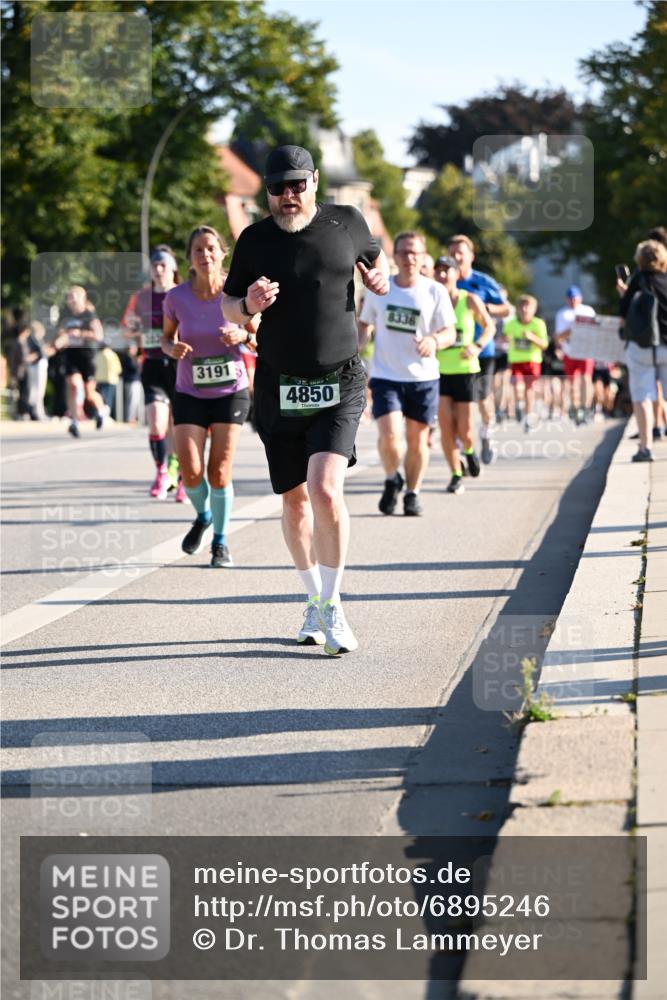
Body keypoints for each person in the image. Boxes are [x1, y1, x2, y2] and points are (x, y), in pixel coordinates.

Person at [221, 144, 389, 656]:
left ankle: (334, 606)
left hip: (340, 380)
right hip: (277, 384)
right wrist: (246, 306)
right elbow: (229, 306)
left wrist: (377, 278)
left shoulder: (348, 221)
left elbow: (374, 264)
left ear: (315, 181)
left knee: (324, 487)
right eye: (278, 188)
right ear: (268, 191)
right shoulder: (253, 240)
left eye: (297, 185)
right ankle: (314, 599)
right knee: (294, 501)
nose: (288, 195)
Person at [163, 226, 252, 566]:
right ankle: (202, 516)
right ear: (190, 258)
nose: (205, 255)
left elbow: (258, 336)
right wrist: (173, 349)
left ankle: (220, 542)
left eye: (211, 248)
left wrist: (241, 333)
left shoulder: (235, 292)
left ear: (222, 252)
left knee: (219, 472)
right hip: (189, 390)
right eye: (198, 250)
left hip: (231, 391)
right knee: (190, 470)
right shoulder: (176, 298)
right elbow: (166, 339)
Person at [358, 233, 455, 516]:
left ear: (424, 256)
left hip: (423, 378)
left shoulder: (435, 291)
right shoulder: (381, 289)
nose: (409, 258)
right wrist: (355, 348)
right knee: (389, 435)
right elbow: (364, 325)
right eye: (403, 252)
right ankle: (392, 478)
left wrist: (434, 341)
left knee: (417, 439)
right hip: (387, 375)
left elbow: (450, 331)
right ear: (395, 256)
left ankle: (412, 492)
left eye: (415, 253)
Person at [122, 246, 186, 501]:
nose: (158, 270)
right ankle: (162, 472)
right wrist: (134, 328)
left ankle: (182, 476)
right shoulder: (141, 297)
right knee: (158, 423)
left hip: (180, 365)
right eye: (154, 266)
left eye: (163, 266)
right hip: (152, 365)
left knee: (179, 426)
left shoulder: (182, 295)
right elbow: (126, 328)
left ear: (172, 269)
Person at [433, 256, 495, 494]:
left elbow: (489, 326)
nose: (441, 275)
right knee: (446, 427)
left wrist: (477, 346)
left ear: (457, 274)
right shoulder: (430, 300)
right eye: (437, 271)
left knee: (465, 430)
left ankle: (469, 452)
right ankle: (456, 473)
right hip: (438, 372)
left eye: (446, 270)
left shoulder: (469, 300)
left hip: (465, 371)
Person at [447, 235, 510, 463]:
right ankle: (462, 442)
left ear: (470, 256)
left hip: (483, 351)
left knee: (483, 398)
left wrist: (487, 307)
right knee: (458, 403)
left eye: (460, 253)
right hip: (453, 354)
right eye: (451, 252)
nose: (455, 257)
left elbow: (506, 309)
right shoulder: (443, 282)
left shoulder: (483, 282)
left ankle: (486, 433)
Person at [619, 239, 667, 462]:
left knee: (642, 397)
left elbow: (624, 314)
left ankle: (645, 447)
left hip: (640, 346)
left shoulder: (637, 281)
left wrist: (624, 292)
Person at [53, 285, 105, 438]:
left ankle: (101, 411)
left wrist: (80, 333)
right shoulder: (65, 317)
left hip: (87, 357)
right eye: (69, 298)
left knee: (89, 393)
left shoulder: (90, 315)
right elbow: (60, 334)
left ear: (82, 299)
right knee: (73, 386)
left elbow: (99, 335)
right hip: (70, 356)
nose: (71, 301)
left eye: (74, 298)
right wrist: (59, 341)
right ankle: (74, 421)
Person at [504, 295, 549, 430]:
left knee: (529, 389)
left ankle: (529, 415)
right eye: (521, 306)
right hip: (516, 361)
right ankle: (519, 405)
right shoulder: (511, 323)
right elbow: (503, 337)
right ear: (517, 309)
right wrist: (505, 339)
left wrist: (532, 337)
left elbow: (544, 345)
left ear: (534, 309)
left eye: (527, 306)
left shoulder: (538, 324)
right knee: (517, 385)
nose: (524, 309)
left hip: (532, 361)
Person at [553, 285, 596, 425]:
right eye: (570, 299)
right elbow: (559, 336)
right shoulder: (562, 314)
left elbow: (595, 331)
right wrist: (574, 328)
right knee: (572, 381)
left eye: (575, 298)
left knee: (586, 379)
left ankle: (586, 407)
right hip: (570, 351)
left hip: (586, 351)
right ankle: (576, 407)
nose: (573, 301)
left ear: (580, 298)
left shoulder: (588, 311)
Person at [95, 342, 122, 416]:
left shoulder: (98, 355)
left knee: (101, 398)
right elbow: (118, 369)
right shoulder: (113, 355)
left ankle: (100, 413)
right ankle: (104, 415)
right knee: (108, 400)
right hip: (111, 380)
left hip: (99, 380)